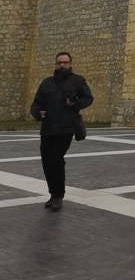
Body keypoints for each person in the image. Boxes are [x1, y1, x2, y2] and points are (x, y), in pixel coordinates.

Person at [30, 52, 93, 211]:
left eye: (65, 62)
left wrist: (74, 103)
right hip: (47, 129)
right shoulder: (47, 83)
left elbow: (88, 98)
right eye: (59, 63)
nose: (62, 65)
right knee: (47, 162)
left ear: (70, 63)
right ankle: (53, 194)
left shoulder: (78, 81)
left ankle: (58, 196)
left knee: (56, 159)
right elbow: (36, 104)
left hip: (66, 128)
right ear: (56, 64)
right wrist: (38, 113)